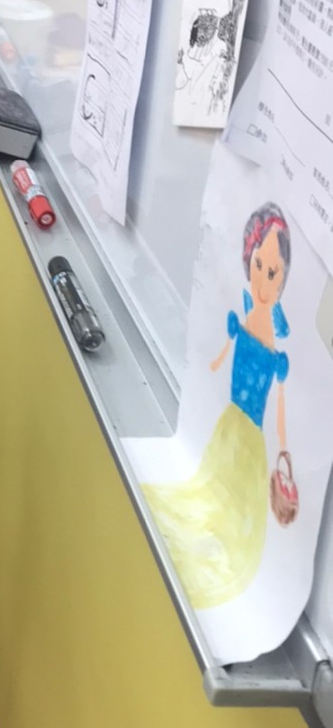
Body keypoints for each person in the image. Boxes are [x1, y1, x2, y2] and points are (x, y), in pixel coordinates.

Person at [142, 203, 291, 610]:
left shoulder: (276, 348)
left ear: (283, 277)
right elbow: (221, 356)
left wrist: (283, 453)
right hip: (228, 425)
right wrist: (208, 362)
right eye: (258, 266)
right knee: (201, 495)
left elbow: (279, 408)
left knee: (232, 527)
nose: (263, 281)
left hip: (250, 441)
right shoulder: (244, 321)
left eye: (272, 272)